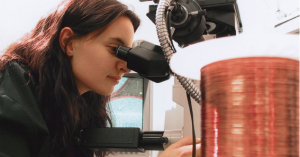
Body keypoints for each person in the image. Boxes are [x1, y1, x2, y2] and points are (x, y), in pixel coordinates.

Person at [0, 0, 201, 156]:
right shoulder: (11, 97)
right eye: (115, 49)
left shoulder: (75, 108)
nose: (125, 65)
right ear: (69, 42)